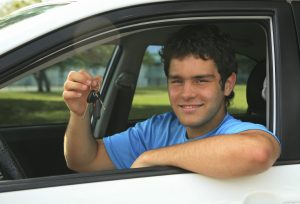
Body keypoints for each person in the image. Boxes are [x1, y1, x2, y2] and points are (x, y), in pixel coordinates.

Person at [63, 24, 280, 179]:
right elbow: (84, 161)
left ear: (228, 84)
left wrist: (152, 157)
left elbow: (257, 152)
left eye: (201, 81)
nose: (186, 93)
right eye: (177, 81)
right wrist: (79, 113)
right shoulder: (157, 129)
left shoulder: (238, 131)